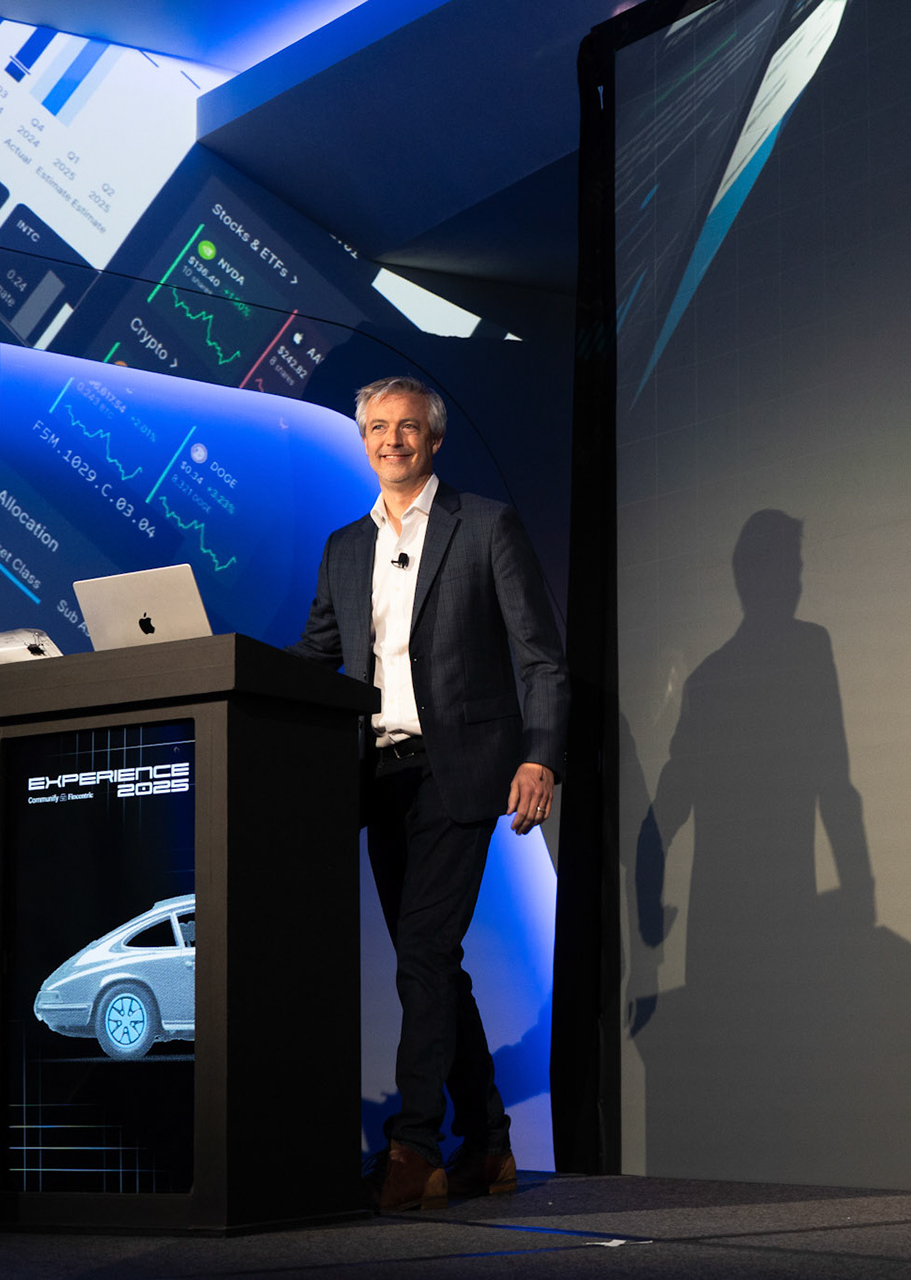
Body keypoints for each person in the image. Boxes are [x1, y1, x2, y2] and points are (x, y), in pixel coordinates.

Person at [292, 375, 568, 1211]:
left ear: (433, 439)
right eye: (377, 427)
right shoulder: (346, 546)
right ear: (363, 440)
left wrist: (540, 758)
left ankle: (414, 1148)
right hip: (379, 778)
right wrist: (229, 668)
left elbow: (540, 657)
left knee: (422, 954)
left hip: (463, 772)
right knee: (433, 963)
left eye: (407, 426)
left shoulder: (484, 525)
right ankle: (489, 1143)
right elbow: (315, 656)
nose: (392, 439)